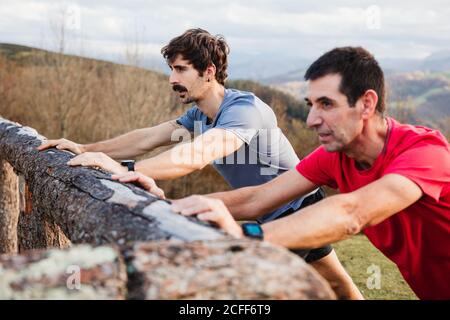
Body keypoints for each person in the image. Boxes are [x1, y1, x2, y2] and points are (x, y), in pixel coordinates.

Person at [38, 29, 362, 299]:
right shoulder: (198, 115)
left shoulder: (245, 109)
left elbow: (196, 156)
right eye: (171, 69)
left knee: (254, 292)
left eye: (180, 70)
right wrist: (86, 148)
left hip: (295, 210)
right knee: (336, 285)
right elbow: (148, 138)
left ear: (208, 71)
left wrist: (125, 171)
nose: (171, 79)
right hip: (269, 210)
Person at [160, 46, 450, 300]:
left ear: (367, 104)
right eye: (310, 105)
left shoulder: (425, 152)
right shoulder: (334, 156)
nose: (311, 120)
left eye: (326, 104)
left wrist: (248, 234)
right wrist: (173, 208)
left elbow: (352, 213)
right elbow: (258, 199)